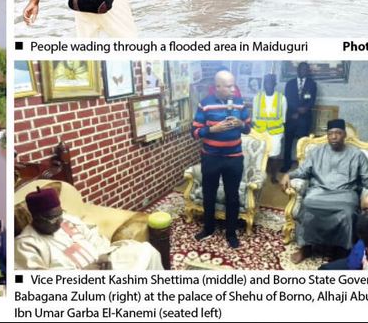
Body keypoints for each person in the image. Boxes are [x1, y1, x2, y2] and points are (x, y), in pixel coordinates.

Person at [279, 119, 368, 264]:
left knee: (347, 212)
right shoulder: (317, 152)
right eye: (330, 133)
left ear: (344, 135)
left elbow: (367, 179)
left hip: (345, 194)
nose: (334, 137)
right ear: (327, 135)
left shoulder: (356, 155)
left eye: (338, 133)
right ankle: (306, 247)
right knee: (308, 205)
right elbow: (303, 171)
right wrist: (288, 174)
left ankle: (341, 250)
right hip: (319, 191)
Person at [14, 186, 163, 270]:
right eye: (52, 218)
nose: (59, 222)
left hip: (103, 265)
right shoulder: (25, 244)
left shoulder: (66, 219)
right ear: (36, 217)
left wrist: (105, 256)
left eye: (60, 215)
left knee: (146, 250)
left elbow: (93, 237)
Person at [192, 70, 252, 249]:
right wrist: (212, 129)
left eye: (233, 85)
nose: (234, 89)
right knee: (209, 194)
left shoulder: (240, 104)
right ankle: (208, 228)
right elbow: (194, 132)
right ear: (217, 87)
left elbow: (248, 128)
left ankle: (231, 233)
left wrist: (241, 124)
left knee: (232, 196)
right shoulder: (205, 104)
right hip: (210, 158)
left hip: (234, 159)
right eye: (229, 86)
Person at [281, 62, 316, 174]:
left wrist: (302, 111)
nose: (304, 71)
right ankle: (286, 164)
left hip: (304, 120)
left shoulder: (312, 84)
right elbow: (287, 99)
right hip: (291, 118)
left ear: (308, 71)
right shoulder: (290, 84)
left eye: (306, 69)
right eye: (302, 69)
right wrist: (297, 110)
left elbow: (312, 101)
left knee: (303, 144)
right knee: (288, 143)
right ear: (298, 70)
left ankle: (303, 167)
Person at [252, 73, 286, 160]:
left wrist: (281, 135)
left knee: (274, 155)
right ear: (263, 84)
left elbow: (283, 119)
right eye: (266, 82)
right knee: (259, 154)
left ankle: (273, 174)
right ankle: (260, 173)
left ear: (275, 84)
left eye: (271, 82)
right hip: (260, 131)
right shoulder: (257, 98)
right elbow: (254, 117)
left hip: (275, 133)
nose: (268, 85)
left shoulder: (281, 98)